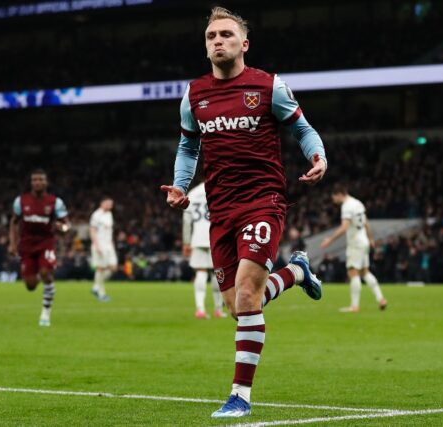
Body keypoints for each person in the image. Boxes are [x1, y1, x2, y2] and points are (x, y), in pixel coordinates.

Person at [160, 7, 327, 418]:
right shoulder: (194, 94)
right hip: (221, 209)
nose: (218, 41)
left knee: (249, 296)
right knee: (237, 307)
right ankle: (296, 273)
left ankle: (240, 396)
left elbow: (302, 128)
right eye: (211, 36)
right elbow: (187, 147)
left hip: (263, 200)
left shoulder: (267, 86)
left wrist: (318, 155)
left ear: (243, 43)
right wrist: (181, 185)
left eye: (226, 35)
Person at [9, 169, 70, 327]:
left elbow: (66, 225)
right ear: (31, 183)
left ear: (46, 182)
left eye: (41, 179)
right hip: (27, 244)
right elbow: (14, 222)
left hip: (46, 243)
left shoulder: (55, 202)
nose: (37, 182)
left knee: (45, 273)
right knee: (30, 286)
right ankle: (41, 278)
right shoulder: (21, 201)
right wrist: (12, 243)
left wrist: (61, 227)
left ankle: (45, 312)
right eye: (34, 180)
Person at [321, 184, 387, 312]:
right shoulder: (358, 203)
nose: (333, 200)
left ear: (339, 194)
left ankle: (355, 306)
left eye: (334, 197)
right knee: (364, 272)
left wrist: (329, 240)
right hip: (364, 240)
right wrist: (371, 238)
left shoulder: (347, 206)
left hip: (355, 243)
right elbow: (366, 222)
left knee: (353, 272)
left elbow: (344, 227)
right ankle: (381, 299)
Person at [183, 182, 226, 319]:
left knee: (200, 272)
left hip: (198, 238)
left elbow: (186, 220)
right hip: (217, 237)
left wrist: (186, 242)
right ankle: (218, 309)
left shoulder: (193, 193)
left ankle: (200, 309)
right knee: (217, 273)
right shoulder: (220, 190)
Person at [89, 197, 117, 302]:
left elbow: (109, 232)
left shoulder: (109, 214)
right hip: (100, 245)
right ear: (102, 203)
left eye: (111, 204)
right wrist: (97, 245)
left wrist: (112, 245)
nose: (110, 205)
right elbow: (92, 231)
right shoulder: (96, 215)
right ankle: (101, 293)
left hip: (109, 245)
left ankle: (96, 287)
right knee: (101, 268)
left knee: (113, 268)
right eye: (108, 203)